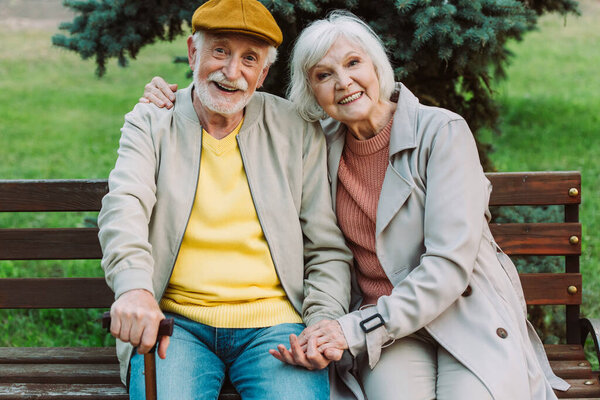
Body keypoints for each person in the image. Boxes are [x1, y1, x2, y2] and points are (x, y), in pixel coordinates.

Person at [142, 11, 570, 400]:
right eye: (324, 75)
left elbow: (448, 267)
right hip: (389, 335)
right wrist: (170, 96)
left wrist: (346, 329)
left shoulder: (442, 133)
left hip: (461, 314)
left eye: (353, 64)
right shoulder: (318, 143)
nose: (343, 82)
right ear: (311, 92)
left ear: (376, 66)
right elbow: (231, 102)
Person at [98, 0, 354, 399]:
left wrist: (322, 322)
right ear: (192, 52)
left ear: (264, 73)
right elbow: (125, 206)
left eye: (249, 59)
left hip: (277, 328)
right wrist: (134, 288)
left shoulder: (296, 129)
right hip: (177, 325)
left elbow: (326, 247)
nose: (232, 72)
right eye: (219, 50)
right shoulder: (151, 121)